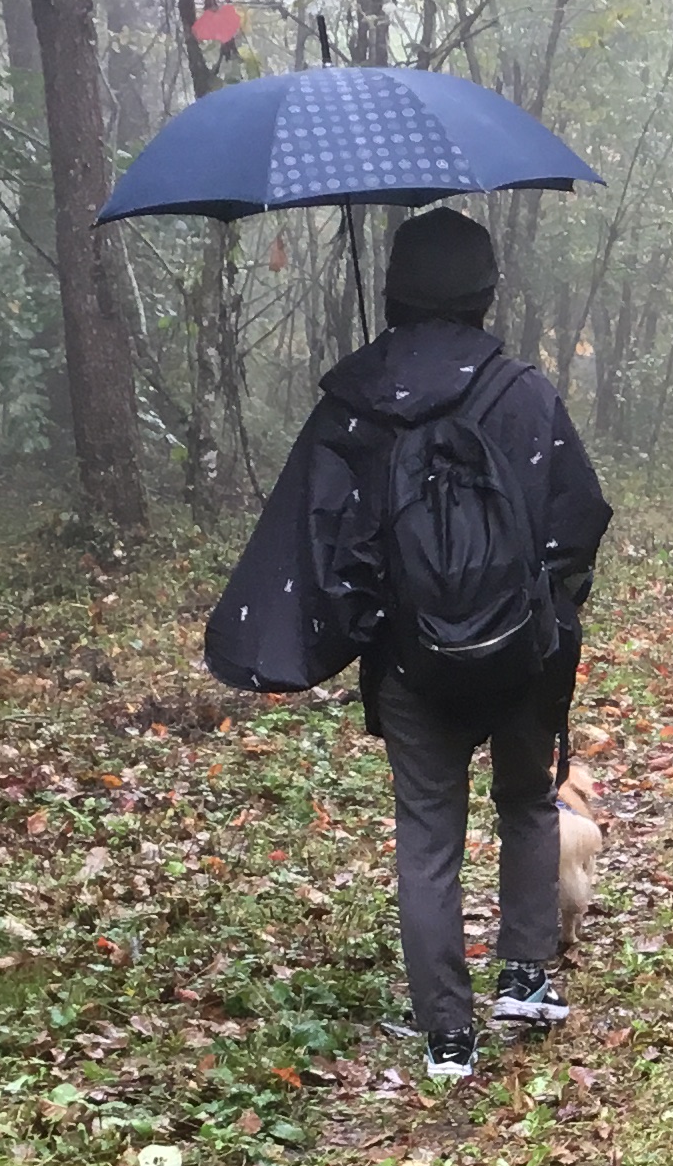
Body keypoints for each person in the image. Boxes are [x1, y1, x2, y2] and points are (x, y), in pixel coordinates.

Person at [204, 205, 612, 1081]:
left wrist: (363, 627)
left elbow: (316, 543)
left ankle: (447, 1036)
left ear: (393, 289)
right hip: (522, 654)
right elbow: (577, 517)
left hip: (408, 662)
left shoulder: (355, 405)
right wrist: (547, 608)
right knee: (528, 805)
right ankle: (527, 978)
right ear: (484, 290)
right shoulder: (525, 391)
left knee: (427, 833)